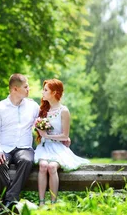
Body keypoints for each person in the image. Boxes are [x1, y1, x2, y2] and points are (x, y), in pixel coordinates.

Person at [34, 78, 89, 206]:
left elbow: (65, 135)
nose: (43, 92)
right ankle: (41, 203)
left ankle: (53, 204)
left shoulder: (64, 111)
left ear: (54, 92)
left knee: (52, 167)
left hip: (58, 147)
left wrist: (47, 136)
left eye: (46, 90)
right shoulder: (43, 110)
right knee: (43, 166)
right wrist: (42, 133)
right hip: (44, 146)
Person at [0, 73, 39, 210]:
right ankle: (11, 201)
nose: (29, 89)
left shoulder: (33, 106)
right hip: (4, 147)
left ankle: (7, 201)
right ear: (15, 89)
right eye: (26, 87)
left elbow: (44, 122)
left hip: (24, 148)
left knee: (27, 161)